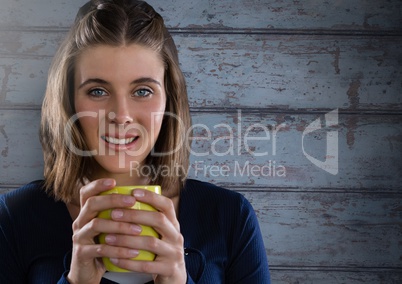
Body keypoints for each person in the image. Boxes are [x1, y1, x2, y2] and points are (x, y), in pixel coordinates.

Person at [0, 0, 270, 283]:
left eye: (142, 91)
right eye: (97, 91)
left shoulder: (230, 216)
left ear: (169, 101)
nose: (121, 116)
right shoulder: (14, 217)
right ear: (69, 102)